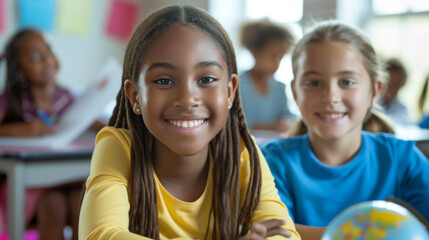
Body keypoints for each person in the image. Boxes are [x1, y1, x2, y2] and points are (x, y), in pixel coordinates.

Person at [79, 5, 300, 240]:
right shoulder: (119, 148)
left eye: (206, 79)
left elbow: (283, 233)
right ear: (135, 96)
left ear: (230, 92)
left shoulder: (242, 152)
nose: (187, 99)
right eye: (164, 80)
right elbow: (101, 235)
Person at [261, 21, 429, 239]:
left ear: (375, 90)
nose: (330, 96)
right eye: (313, 83)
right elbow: (274, 233)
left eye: (347, 82)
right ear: (295, 91)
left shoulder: (404, 160)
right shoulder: (272, 161)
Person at [0, 29, 84, 240]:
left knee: (81, 201)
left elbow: (91, 120)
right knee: (53, 205)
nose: (47, 60)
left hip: (67, 179)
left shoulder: (67, 97)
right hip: (29, 186)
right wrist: (25, 130)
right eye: (36, 56)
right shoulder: (11, 100)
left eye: (49, 51)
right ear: (20, 71)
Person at [239, 19, 296, 134]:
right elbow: (238, 124)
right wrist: (272, 127)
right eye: (274, 57)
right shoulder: (237, 85)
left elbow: (288, 116)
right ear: (254, 52)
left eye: (281, 58)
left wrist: (288, 122)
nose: (277, 64)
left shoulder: (279, 87)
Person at [379, 58, 412, 126]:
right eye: (388, 83)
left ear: (402, 85)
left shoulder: (402, 111)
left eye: (395, 84)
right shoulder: (369, 104)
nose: (390, 88)